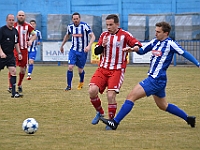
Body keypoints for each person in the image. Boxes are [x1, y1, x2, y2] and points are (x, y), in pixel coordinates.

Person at [100, 21, 200, 130]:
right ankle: (188, 119)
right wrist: (133, 49)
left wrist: (198, 64)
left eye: (158, 32)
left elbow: (185, 53)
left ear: (166, 33)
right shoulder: (155, 41)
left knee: (131, 97)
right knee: (163, 106)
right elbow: (142, 51)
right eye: (155, 31)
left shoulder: (171, 44)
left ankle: (115, 122)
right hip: (158, 80)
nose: (155, 34)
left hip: (155, 79)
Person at [88, 14, 142, 130]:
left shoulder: (125, 35)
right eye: (107, 25)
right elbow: (97, 51)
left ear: (117, 24)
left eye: (111, 25)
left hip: (117, 70)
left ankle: (111, 121)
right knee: (92, 91)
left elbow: (137, 44)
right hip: (102, 69)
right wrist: (102, 45)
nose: (108, 27)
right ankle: (100, 112)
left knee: (111, 95)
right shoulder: (104, 35)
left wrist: (133, 48)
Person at [60, 12, 95, 91]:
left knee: (80, 69)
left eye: (77, 19)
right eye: (74, 19)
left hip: (83, 51)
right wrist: (62, 45)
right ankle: (69, 86)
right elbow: (67, 36)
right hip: (73, 50)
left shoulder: (84, 26)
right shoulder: (70, 27)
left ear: (80, 19)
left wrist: (89, 46)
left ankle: (81, 81)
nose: (75, 20)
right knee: (70, 66)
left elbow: (93, 36)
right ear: (72, 19)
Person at [7, 10, 36, 93]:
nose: (21, 16)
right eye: (19, 15)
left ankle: (19, 84)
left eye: (22, 15)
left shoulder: (28, 26)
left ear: (25, 17)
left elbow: (34, 34)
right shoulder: (13, 25)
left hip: (24, 50)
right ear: (17, 16)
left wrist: (31, 40)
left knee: (23, 70)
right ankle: (10, 86)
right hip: (14, 50)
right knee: (13, 68)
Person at [0, 14, 23, 98]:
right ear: (6, 20)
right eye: (10, 20)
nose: (11, 21)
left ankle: (14, 93)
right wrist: (1, 53)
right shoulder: (2, 30)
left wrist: (19, 53)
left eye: (13, 20)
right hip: (1, 55)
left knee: (13, 71)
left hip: (10, 55)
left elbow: (16, 43)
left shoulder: (15, 31)